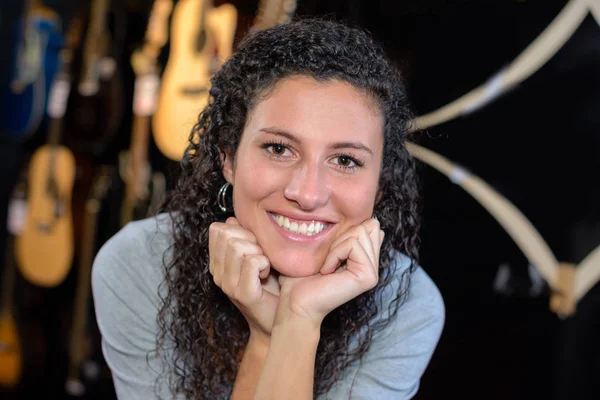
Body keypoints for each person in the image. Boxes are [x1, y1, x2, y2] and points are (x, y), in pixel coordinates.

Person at [91, 18, 445, 399]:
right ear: (228, 158)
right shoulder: (139, 264)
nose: (308, 194)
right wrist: (266, 339)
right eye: (279, 149)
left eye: (345, 161)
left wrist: (297, 320)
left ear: (380, 187)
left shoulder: (406, 307)